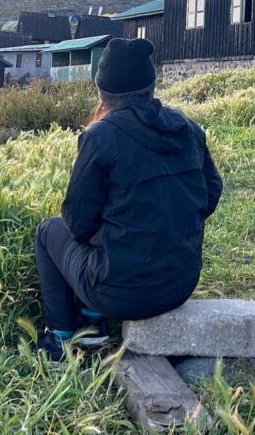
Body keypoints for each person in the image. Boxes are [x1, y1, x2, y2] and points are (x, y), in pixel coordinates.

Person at [32, 37, 223, 361]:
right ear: (151, 85)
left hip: (122, 296)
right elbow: (211, 194)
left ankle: (59, 338)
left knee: (48, 231)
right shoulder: (187, 128)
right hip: (181, 283)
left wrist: (117, 232)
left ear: (103, 92)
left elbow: (78, 223)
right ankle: (91, 319)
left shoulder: (99, 136)